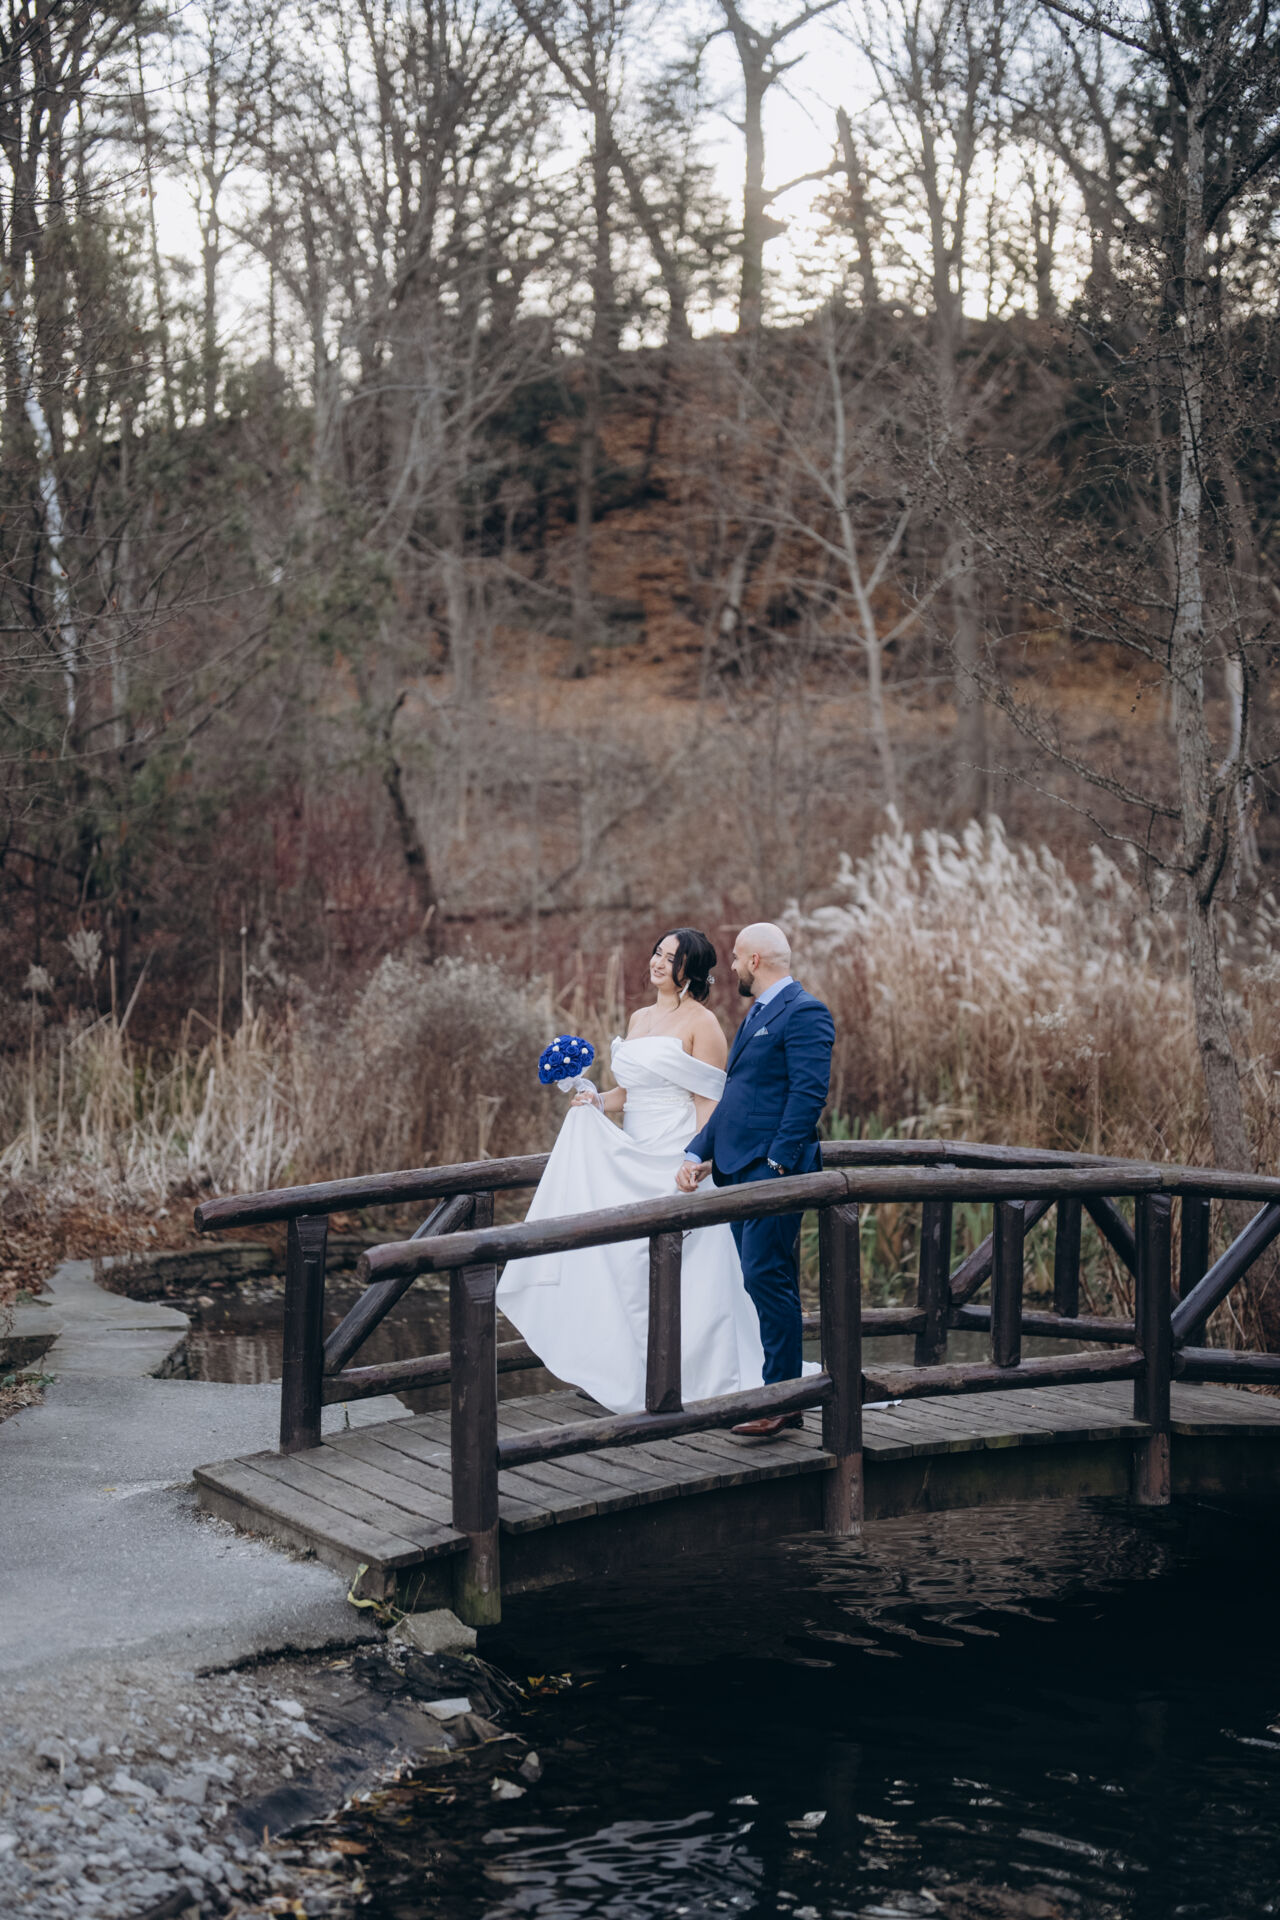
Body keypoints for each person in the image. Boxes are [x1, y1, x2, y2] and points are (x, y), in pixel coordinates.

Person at [496, 929, 765, 1415]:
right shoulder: (640, 1018)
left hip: (675, 1156)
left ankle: (697, 1376)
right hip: (633, 1154)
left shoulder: (702, 1024)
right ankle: (633, 1372)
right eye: (658, 953)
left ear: (691, 971)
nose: (658, 962)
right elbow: (630, 1092)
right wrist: (596, 1100)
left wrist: (699, 1159)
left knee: (681, 1268)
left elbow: (709, 1100)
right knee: (626, 1264)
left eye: (671, 958)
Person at [678, 922, 835, 1437]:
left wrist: (778, 1166)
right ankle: (783, 1395)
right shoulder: (759, 1012)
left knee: (766, 1276)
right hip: (738, 1170)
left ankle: (781, 1399)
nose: (729, 967)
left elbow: (808, 1095)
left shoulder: (805, 1012)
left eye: (735, 958)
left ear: (754, 961)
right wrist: (699, 1151)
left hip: (772, 1174)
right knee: (762, 1277)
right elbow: (738, 1097)